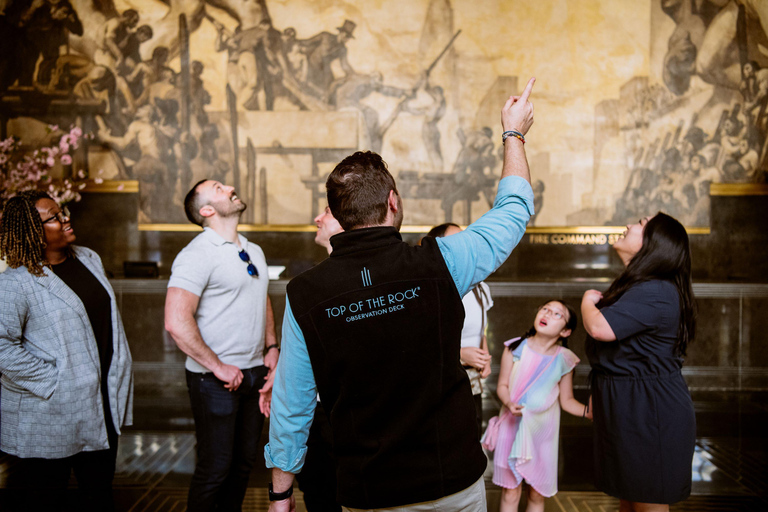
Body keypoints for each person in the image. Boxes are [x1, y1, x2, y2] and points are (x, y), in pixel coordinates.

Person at [265, 77, 537, 511]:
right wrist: (513, 133)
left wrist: (281, 493)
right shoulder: (441, 262)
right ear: (393, 202)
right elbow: (514, 210)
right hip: (453, 487)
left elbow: (291, 406)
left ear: (337, 215)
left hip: (368, 492)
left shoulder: (305, 293)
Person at [0, 191, 133, 511]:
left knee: (98, 495)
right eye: (55, 218)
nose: (65, 220)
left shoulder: (88, 258)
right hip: (47, 413)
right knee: (45, 499)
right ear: (32, 230)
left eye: (63, 212)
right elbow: (2, 347)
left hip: (100, 406)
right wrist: (58, 380)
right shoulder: (16, 282)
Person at [164, 180, 279, 512]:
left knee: (244, 465)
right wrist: (217, 366)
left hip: (254, 375)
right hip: (213, 381)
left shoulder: (252, 250)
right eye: (218, 187)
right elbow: (175, 319)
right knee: (215, 469)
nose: (230, 186)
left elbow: (261, 300)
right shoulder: (196, 254)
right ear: (207, 210)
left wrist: (271, 346)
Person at [582, 213, 697, 512]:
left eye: (641, 223)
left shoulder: (655, 290)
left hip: (650, 412)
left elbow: (599, 329)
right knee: (629, 501)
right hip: (629, 406)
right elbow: (621, 354)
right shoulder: (640, 286)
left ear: (653, 244)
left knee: (647, 502)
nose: (630, 224)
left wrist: (586, 301)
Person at [490, 300, 587, 512]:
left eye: (557, 314)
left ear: (566, 331)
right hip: (511, 429)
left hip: (543, 435)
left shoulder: (565, 360)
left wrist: (590, 412)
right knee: (511, 490)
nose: (547, 314)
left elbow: (567, 401)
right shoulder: (515, 347)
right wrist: (509, 402)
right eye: (545, 309)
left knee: (536, 492)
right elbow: (502, 385)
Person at [294, 206, 344, 512]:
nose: (317, 218)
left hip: (342, 414)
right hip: (316, 412)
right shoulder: (312, 284)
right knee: (318, 492)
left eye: (327, 211)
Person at [426, 222, 492, 436]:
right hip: (441, 377)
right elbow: (421, 337)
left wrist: (485, 355)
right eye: (456, 239)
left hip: (471, 379)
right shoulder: (431, 287)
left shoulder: (480, 286)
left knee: (472, 434)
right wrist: (461, 353)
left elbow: (482, 327)